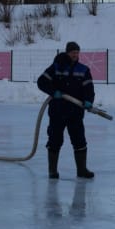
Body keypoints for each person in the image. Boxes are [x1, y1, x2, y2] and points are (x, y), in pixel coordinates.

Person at [37, 41, 95, 179]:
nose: (75, 55)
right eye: (73, 52)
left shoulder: (83, 70)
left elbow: (89, 88)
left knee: (79, 140)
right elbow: (41, 82)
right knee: (55, 139)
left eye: (77, 52)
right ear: (67, 52)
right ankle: (52, 171)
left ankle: (82, 170)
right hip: (58, 110)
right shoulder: (56, 67)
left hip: (75, 112)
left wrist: (88, 101)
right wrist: (53, 92)